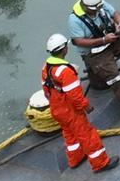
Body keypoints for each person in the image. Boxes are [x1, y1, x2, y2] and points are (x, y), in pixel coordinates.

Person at [42, 34, 114, 173]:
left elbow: (46, 91)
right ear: (65, 49)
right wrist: (86, 106)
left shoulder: (46, 68)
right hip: (70, 112)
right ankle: (100, 163)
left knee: (69, 134)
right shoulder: (66, 71)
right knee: (87, 135)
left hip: (57, 110)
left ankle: (75, 158)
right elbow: (75, 96)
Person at [68, 0, 120, 116]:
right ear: (85, 6)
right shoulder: (74, 20)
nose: (98, 11)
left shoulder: (99, 4)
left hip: (111, 40)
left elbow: (115, 12)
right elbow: (79, 41)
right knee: (113, 77)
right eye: (94, 9)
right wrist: (103, 40)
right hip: (94, 52)